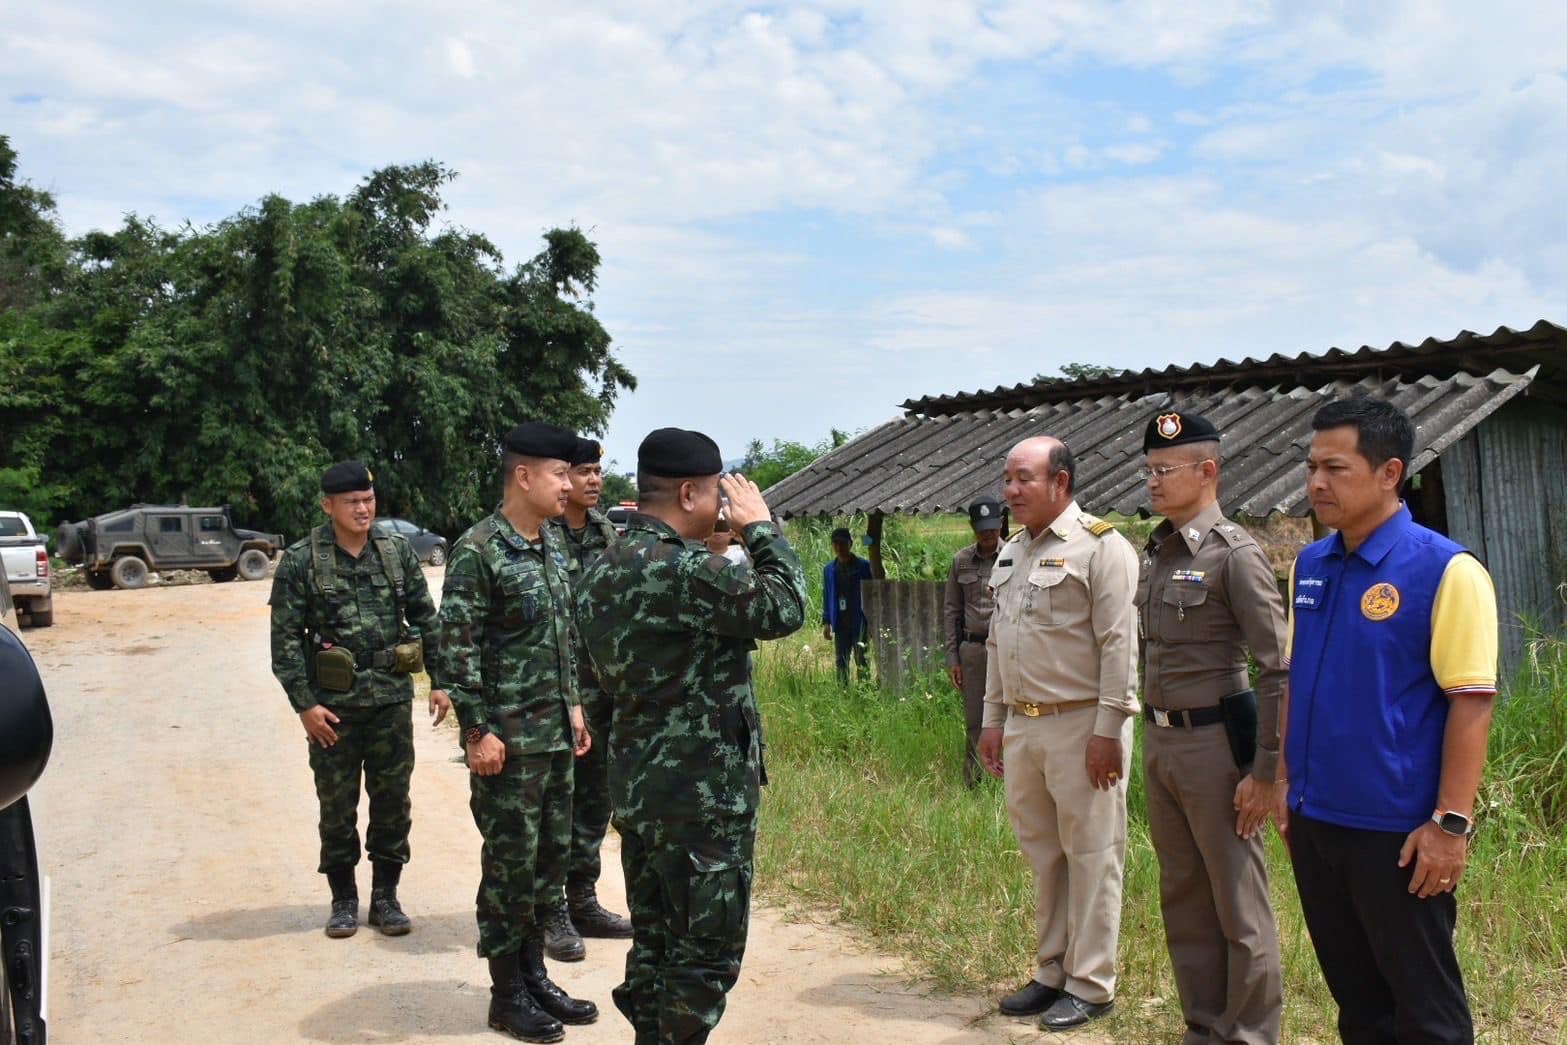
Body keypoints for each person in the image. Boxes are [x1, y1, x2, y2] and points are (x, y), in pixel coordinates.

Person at [575, 428, 806, 1045]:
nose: (722, 506)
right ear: (687, 493)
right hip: (703, 801)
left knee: (655, 945)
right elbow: (786, 606)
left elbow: (595, 690)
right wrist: (761, 528)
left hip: (639, 793)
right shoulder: (685, 572)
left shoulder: (601, 571)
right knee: (704, 956)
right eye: (715, 494)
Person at [1281, 397, 1498, 1044]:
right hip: (1317, 820)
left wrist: (1450, 825)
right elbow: (1295, 679)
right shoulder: (1310, 565)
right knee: (1358, 1004)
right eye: (1311, 467)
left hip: (1397, 834)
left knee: (1426, 1013)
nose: (1316, 482)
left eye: (1335, 468)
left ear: (1389, 472)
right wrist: (1286, 786)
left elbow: (1471, 701)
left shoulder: (1445, 569)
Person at [438, 423, 598, 1043]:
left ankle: (534, 978)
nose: (568, 485)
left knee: (547, 866)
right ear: (524, 476)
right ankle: (505, 996)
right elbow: (457, 651)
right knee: (510, 870)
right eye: (559, 474)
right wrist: (476, 730)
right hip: (506, 747)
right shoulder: (478, 550)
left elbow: (562, 636)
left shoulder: (552, 542)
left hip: (554, 737)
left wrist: (574, 707)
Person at [976, 436, 1139, 1032]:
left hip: (1082, 725)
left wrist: (1108, 729)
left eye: (1023, 478)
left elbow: (1120, 645)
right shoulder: (1013, 550)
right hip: (1025, 726)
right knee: (1044, 855)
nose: (1010, 490)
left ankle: (1092, 984)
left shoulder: (1102, 547)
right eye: (1007, 478)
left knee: (1093, 855)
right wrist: (993, 720)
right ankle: (1052, 971)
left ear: (1060, 483)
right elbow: (998, 640)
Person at [1136, 410, 1287, 1044]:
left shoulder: (1234, 555)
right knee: (1185, 898)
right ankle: (1202, 1026)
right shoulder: (1158, 552)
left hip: (1216, 750)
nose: (1153, 482)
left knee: (1238, 904)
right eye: (1149, 470)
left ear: (1207, 471)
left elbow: (1278, 668)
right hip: (1161, 742)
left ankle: (1249, 1034)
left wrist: (1265, 771)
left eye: (1165, 470)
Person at [269, 460, 450, 939]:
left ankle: (386, 898)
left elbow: (426, 619)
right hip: (332, 710)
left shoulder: (396, 553)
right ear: (328, 505)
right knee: (337, 807)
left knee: (392, 804)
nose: (363, 509)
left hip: (390, 701)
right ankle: (344, 900)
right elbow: (284, 642)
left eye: (368, 500)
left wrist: (440, 680)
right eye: (352, 502)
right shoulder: (302, 560)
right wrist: (305, 705)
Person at [541, 435, 634, 962]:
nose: (594, 480)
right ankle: (550, 908)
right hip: (553, 693)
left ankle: (582, 899)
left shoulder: (605, 533)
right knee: (556, 802)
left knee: (596, 798)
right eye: (583, 472)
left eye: (597, 471)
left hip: (602, 691)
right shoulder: (540, 532)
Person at [943, 496, 1004, 787]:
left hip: (1006, 651)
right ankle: (974, 781)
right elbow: (951, 612)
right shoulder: (961, 561)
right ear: (972, 527)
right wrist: (952, 658)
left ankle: (1010, 780)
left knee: (1012, 717)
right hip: (973, 652)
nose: (987, 533)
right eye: (982, 529)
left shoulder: (1015, 555)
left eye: (992, 527)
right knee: (975, 720)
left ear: (1000, 524)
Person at [821, 527, 873, 682]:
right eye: (835, 543)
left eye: (842, 543)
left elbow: (871, 595)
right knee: (841, 661)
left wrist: (872, 622)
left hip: (860, 622)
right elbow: (827, 595)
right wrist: (827, 622)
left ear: (850, 544)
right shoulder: (829, 570)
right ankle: (843, 692)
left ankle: (865, 691)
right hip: (840, 622)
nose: (839, 547)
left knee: (862, 660)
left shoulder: (864, 567)